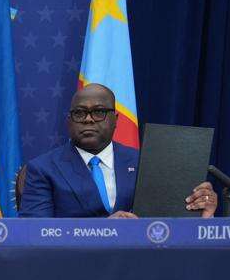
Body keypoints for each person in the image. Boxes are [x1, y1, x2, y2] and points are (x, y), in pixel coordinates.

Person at [19, 83, 217, 218]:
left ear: (115, 120)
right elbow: (35, 235)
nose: (88, 119)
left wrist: (201, 215)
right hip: (73, 265)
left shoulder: (146, 163)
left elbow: (167, 227)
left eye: (99, 112)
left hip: (141, 263)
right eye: (79, 113)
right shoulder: (43, 169)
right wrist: (106, 231)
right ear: (69, 122)